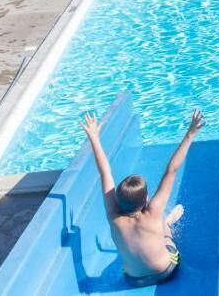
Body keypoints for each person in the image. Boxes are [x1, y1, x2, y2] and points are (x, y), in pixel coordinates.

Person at [81, 109, 205, 288]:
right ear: (147, 198)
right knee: (166, 236)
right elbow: (171, 170)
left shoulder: (113, 217)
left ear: (117, 198)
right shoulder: (153, 212)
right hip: (166, 272)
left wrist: (94, 137)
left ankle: (166, 224)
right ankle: (167, 223)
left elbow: (105, 173)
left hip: (133, 280)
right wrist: (190, 134)